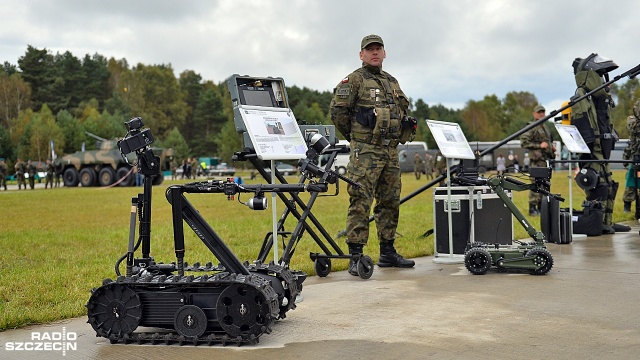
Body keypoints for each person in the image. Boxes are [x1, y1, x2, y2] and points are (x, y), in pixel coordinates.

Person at [329, 34, 415, 274]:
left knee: (390, 200)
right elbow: (338, 113)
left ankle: (387, 252)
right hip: (365, 151)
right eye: (370, 49)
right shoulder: (354, 80)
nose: (374, 53)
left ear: (384, 53)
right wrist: (356, 138)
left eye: (378, 49)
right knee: (361, 199)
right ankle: (355, 256)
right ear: (361, 54)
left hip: (389, 151)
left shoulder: (392, 81)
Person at [571, 53, 629, 234]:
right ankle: (596, 222)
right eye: (600, 75)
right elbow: (583, 125)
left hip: (603, 148)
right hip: (592, 149)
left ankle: (607, 221)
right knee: (598, 185)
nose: (605, 80)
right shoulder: (582, 95)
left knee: (609, 184)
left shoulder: (599, 98)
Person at [520, 105, 555, 216]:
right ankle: (532, 208)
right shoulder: (532, 127)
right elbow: (524, 142)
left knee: (544, 184)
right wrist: (539, 145)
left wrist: (550, 147)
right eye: (539, 112)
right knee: (536, 184)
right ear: (534, 114)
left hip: (545, 160)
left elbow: (546, 142)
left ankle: (541, 207)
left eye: (543, 112)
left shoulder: (545, 127)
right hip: (536, 160)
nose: (541, 114)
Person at [622, 98, 640, 214]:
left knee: (631, 182)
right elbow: (632, 141)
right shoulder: (633, 123)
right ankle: (627, 206)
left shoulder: (631, 121)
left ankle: (627, 207)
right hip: (635, 155)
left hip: (634, 154)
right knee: (631, 182)